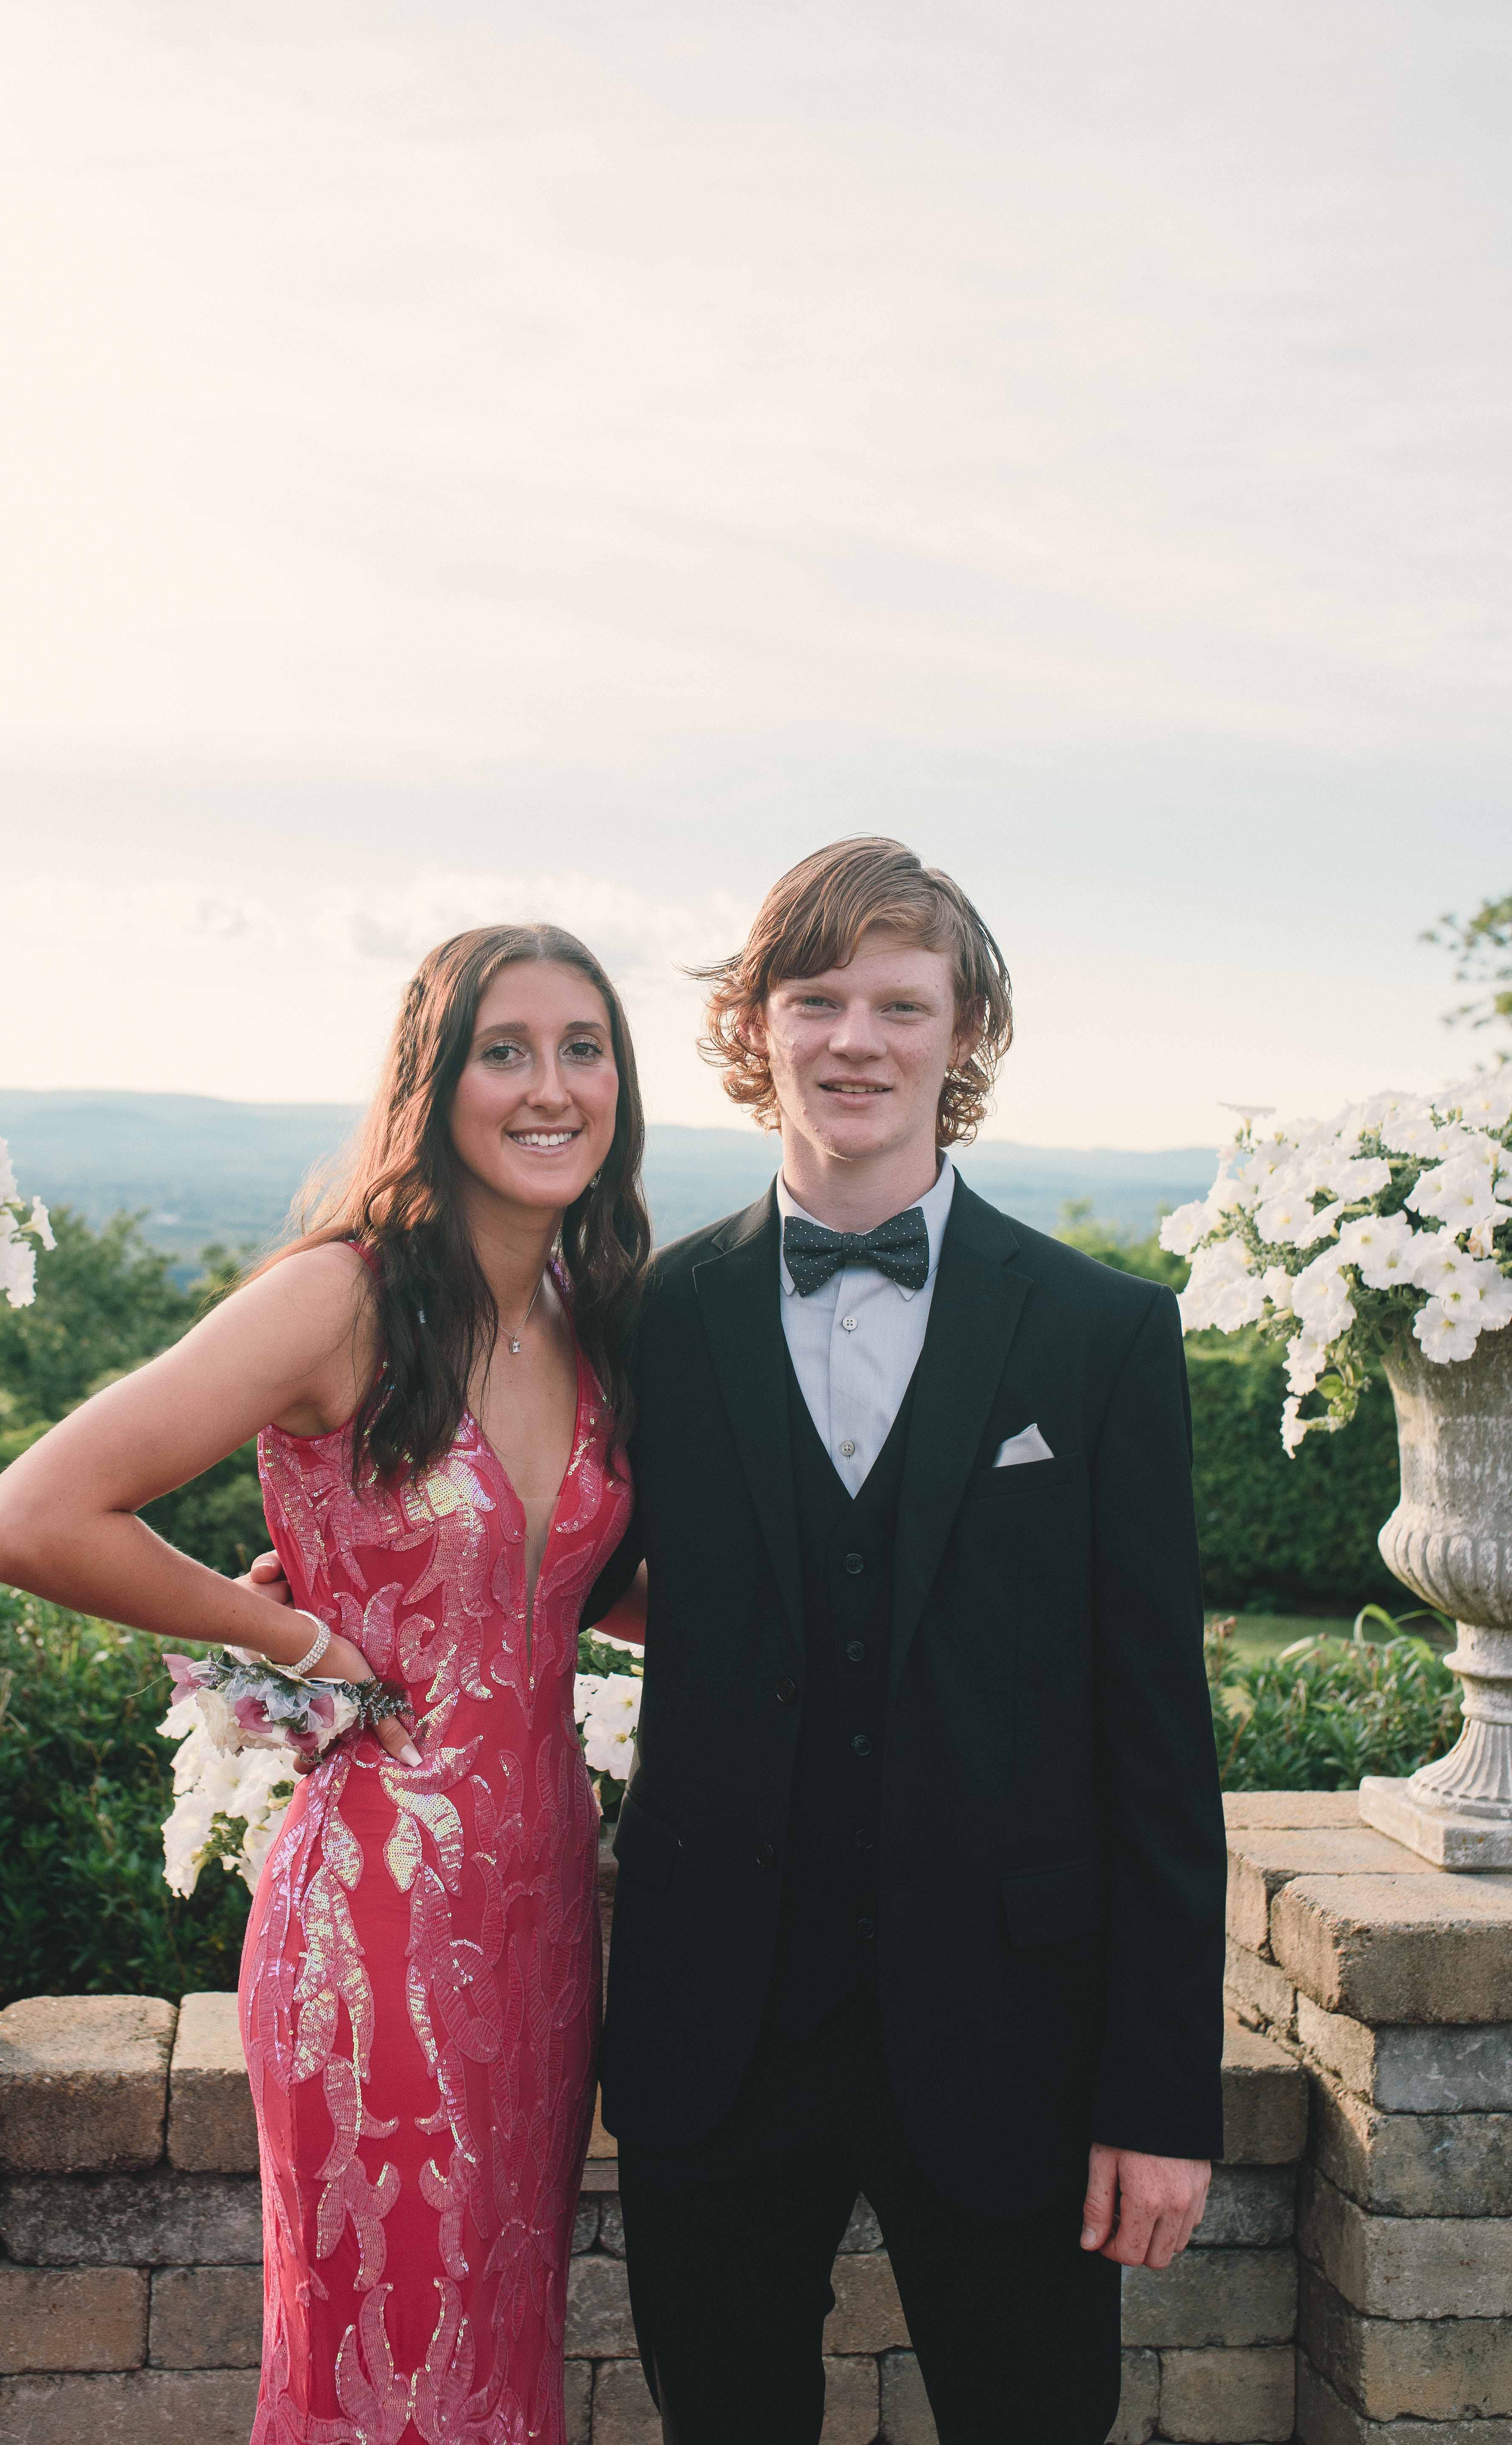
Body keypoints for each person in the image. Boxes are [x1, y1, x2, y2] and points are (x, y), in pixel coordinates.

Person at [581, 837, 1227, 2445]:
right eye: (815, 999)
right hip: (714, 2036)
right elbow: (540, 1557)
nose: (855, 1039)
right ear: (759, 1028)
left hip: (1018, 2043)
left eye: (900, 1002)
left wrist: (1159, 2101)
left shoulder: (1102, 1334)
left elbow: (1160, 1741)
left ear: (965, 1034)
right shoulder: (644, 1318)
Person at [0, 923, 648, 2445]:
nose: (552, 1088)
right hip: (376, 1922)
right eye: (507, 1049)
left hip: (547, 1920)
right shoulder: (341, 1299)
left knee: (500, 2362)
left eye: (584, 1049)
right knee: (388, 2379)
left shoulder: (587, 1321)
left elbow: (594, 1594)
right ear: (437, 1080)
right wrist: (296, 1638)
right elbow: (26, 1520)